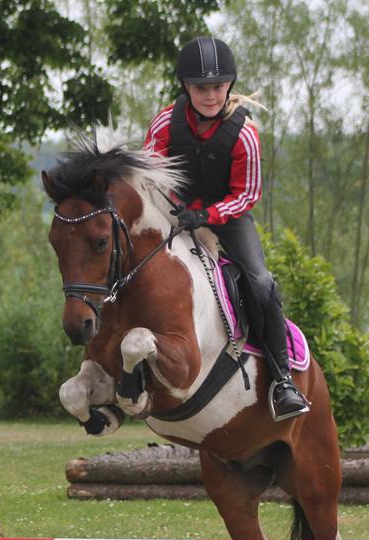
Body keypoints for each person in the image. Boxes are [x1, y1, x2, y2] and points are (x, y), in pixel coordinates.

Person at [143, 36, 309, 422]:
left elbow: (247, 194)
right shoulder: (165, 123)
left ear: (229, 86)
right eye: (202, 88)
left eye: (218, 86)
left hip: (229, 220)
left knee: (261, 282)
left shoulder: (245, 133)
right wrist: (176, 208)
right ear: (186, 87)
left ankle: (283, 380)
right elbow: (150, 174)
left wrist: (208, 216)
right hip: (173, 214)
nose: (211, 95)